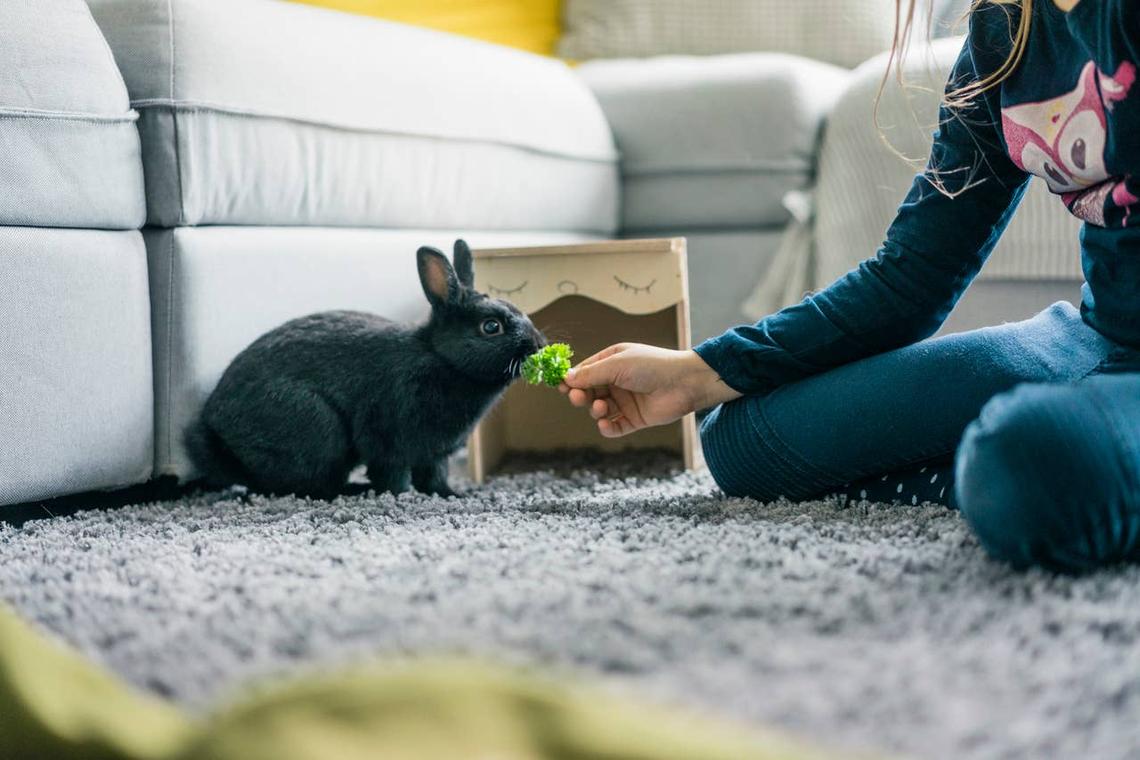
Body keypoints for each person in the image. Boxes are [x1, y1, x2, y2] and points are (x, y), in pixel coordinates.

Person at [560, 0, 1140, 574]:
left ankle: (1035, 475)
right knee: (746, 444)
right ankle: (1032, 480)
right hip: (1092, 340)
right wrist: (698, 372)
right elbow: (910, 279)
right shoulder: (1005, 29)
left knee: (1027, 458)